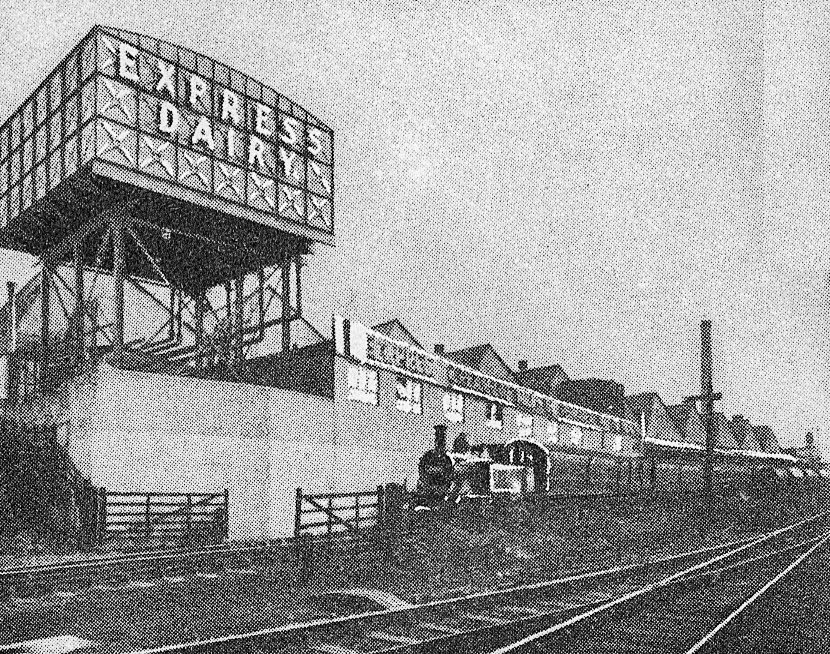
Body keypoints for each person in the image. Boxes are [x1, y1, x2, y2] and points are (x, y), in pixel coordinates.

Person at [414, 425, 456, 509]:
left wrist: (443, 489)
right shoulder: (427, 457)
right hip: (427, 494)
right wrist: (429, 487)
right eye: (438, 442)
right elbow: (422, 473)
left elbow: (449, 477)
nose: (440, 446)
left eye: (442, 443)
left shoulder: (447, 460)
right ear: (435, 442)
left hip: (441, 494)